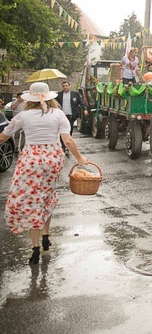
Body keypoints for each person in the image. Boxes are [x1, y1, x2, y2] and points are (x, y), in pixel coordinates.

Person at [0, 82, 89, 265]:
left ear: (30, 98)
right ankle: (46, 236)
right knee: (47, 197)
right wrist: (79, 158)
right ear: (49, 96)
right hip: (52, 160)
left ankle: (35, 247)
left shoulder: (23, 116)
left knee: (33, 201)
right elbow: (68, 140)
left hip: (30, 161)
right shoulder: (58, 114)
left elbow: (4, 136)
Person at [59, 80, 87, 156]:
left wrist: (85, 109)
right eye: (63, 86)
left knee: (69, 131)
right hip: (62, 116)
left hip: (71, 116)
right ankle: (63, 146)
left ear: (69, 86)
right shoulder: (59, 95)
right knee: (62, 132)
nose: (65, 87)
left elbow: (81, 102)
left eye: (66, 86)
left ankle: (67, 146)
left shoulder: (75, 94)